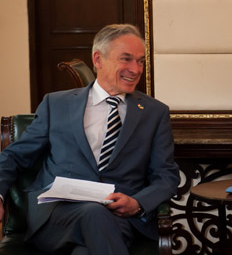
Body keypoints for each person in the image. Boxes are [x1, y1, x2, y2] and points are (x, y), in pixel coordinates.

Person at [0, 24, 180, 255]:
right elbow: (15, 155)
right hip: (57, 215)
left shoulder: (155, 113)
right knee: (93, 214)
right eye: (126, 59)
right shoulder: (57, 104)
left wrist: (137, 203)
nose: (135, 69)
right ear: (98, 59)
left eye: (140, 61)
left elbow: (166, 175)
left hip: (118, 218)